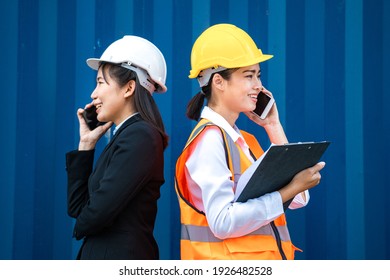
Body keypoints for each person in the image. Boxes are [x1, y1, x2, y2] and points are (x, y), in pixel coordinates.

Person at [175, 24, 326, 260]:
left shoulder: (245, 141)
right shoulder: (210, 141)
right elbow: (222, 223)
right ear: (218, 82)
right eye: (248, 76)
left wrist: (273, 126)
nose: (258, 85)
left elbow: (298, 199)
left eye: (258, 75)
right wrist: (290, 189)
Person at [66, 35, 168, 260]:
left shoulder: (141, 137)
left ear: (129, 87)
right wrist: (86, 144)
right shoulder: (127, 135)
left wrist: (83, 223)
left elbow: (94, 215)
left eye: (101, 82)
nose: (94, 94)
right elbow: (77, 208)